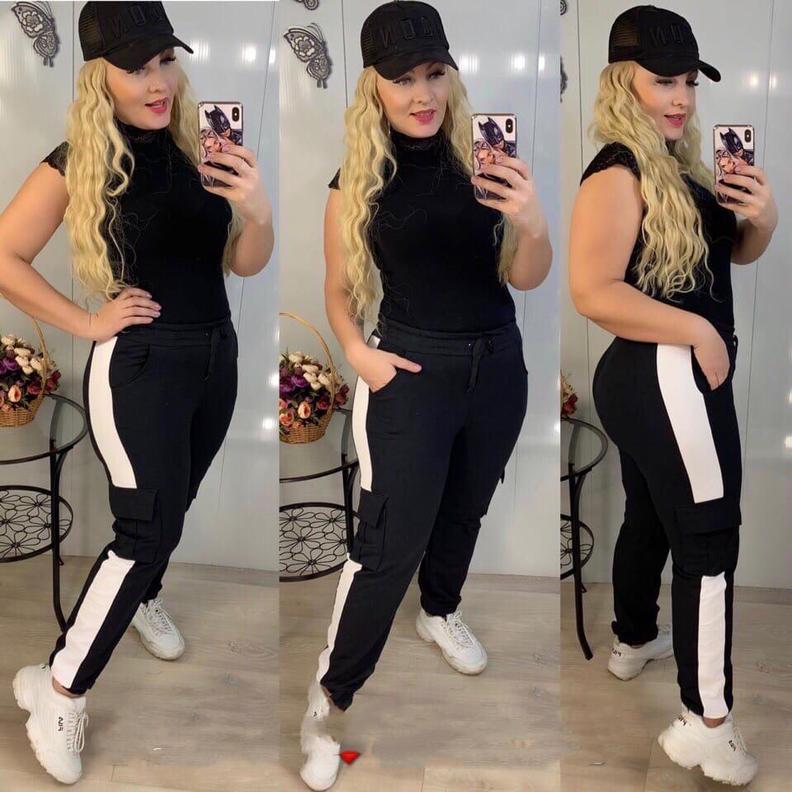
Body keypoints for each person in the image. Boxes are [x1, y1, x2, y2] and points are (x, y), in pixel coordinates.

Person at [0, 2, 273, 784]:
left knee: (170, 510)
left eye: (165, 61)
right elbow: (5, 255)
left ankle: (140, 596)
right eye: (136, 67)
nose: (157, 82)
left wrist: (256, 208)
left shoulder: (202, 150)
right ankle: (57, 688)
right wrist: (88, 323)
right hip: (140, 366)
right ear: (101, 76)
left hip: (215, 356)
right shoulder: (80, 160)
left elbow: (246, 263)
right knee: (145, 527)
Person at [298, 2, 552, 789]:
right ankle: (326, 702)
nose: (422, 93)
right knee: (385, 547)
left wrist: (532, 222)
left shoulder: (485, 160)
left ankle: (439, 610)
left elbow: (526, 276)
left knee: (464, 509)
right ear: (374, 86)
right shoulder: (357, 180)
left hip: (497, 367)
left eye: (434, 73)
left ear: (450, 75)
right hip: (409, 374)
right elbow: (339, 289)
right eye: (403, 78)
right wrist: (357, 355)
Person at [568, 5, 776, 786]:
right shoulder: (619, 170)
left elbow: (729, 259)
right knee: (710, 539)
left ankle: (632, 640)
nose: (681, 97)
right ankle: (706, 724)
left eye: (689, 81)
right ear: (623, 82)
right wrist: (698, 333)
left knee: (654, 514)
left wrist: (763, 218)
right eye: (663, 81)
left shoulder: (673, 164)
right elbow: (593, 290)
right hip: (665, 375)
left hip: (658, 378)